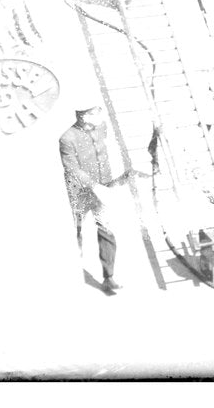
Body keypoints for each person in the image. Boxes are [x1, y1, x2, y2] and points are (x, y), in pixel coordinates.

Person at [59, 105, 126, 295]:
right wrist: (95, 186)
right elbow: (71, 168)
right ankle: (72, 275)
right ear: (83, 116)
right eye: (95, 112)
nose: (99, 116)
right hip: (80, 192)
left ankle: (109, 277)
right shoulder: (67, 138)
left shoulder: (101, 126)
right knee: (76, 232)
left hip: (103, 187)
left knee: (106, 230)